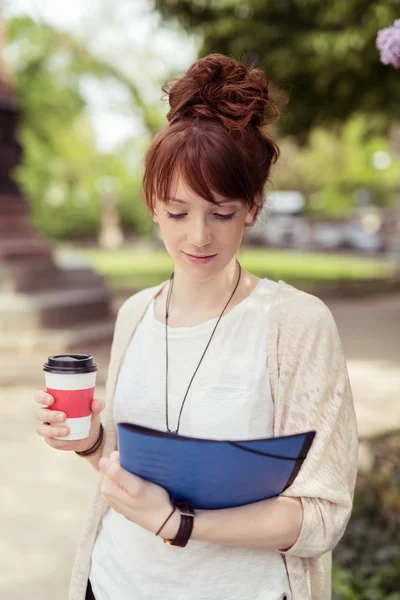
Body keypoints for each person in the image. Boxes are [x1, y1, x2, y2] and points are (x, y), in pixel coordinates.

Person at [34, 53, 359, 600]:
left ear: (253, 206)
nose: (199, 237)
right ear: (153, 207)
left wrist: (180, 525)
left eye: (222, 213)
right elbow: (136, 474)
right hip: (113, 583)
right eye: (178, 212)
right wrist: (91, 443)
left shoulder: (295, 324)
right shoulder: (136, 313)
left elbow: (322, 515)